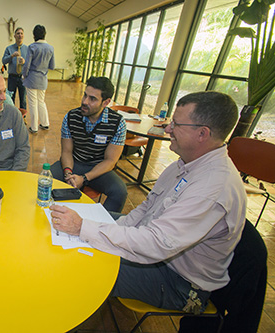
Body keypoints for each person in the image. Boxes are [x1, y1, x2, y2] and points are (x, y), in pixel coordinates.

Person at [50, 91, 246, 313]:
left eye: (176, 123)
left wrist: (84, 228)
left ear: (202, 133)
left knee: (78, 266)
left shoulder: (212, 188)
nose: (168, 129)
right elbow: (147, 208)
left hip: (178, 281)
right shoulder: (184, 164)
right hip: (156, 250)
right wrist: (110, 229)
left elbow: (155, 244)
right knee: (78, 222)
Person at [51, 77, 127, 213]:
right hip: (74, 163)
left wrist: (84, 178)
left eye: (92, 99)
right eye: (85, 95)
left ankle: (101, 227)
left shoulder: (117, 123)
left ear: (106, 102)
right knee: (45, 180)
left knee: (119, 191)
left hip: (99, 169)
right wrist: (68, 173)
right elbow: (67, 152)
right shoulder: (71, 117)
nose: (85, 102)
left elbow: (110, 161)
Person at [22, 24, 55, 133]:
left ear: (34, 35)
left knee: (32, 103)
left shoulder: (32, 47)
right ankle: (45, 124)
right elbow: (52, 66)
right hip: (43, 79)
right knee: (41, 101)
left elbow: (27, 65)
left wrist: (24, 75)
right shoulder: (50, 48)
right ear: (45, 34)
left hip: (32, 78)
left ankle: (34, 127)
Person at [2, 27, 28, 109]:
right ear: (14, 36)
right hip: (12, 77)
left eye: (21, 33)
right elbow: (4, 61)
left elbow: (31, 64)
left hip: (23, 78)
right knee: (10, 99)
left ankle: (22, 118)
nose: (20, 35)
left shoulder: (27, 49)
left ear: (23, 36)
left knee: (23, 99)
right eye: (18, 33)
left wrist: (25, 62)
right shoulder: (9, 48)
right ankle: (11, 117)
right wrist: (11, 56)